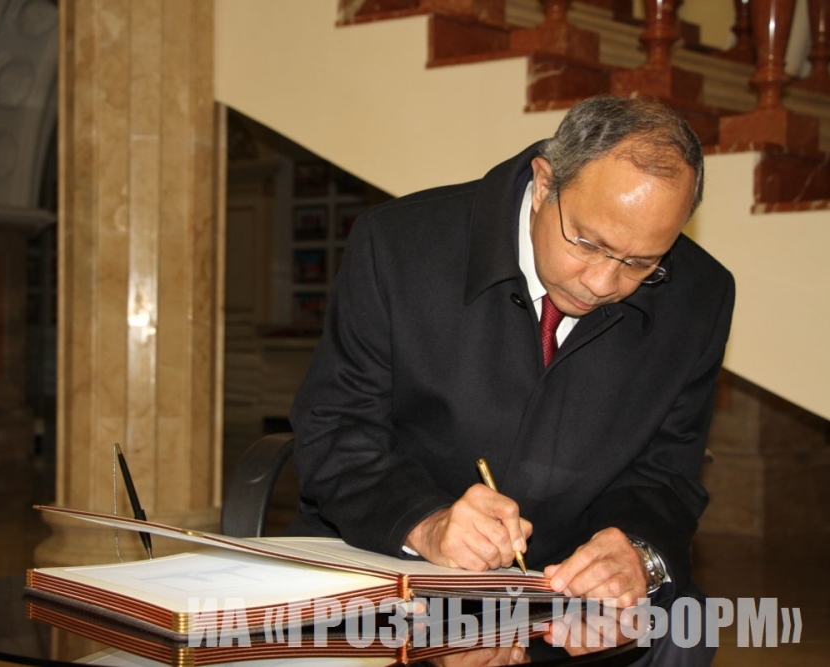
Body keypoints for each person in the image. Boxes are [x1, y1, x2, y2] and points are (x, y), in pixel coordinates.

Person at [287, 95, 734, 664]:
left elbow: (667, 472)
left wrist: (635, 554)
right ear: (545, 184)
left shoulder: (700, 295)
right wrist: (427, 522)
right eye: (589, 243)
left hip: (564, 588)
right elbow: (335, 429)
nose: (602, 283)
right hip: (393, 553)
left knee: (683, 629)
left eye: (642, 263)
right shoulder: (400, 244)